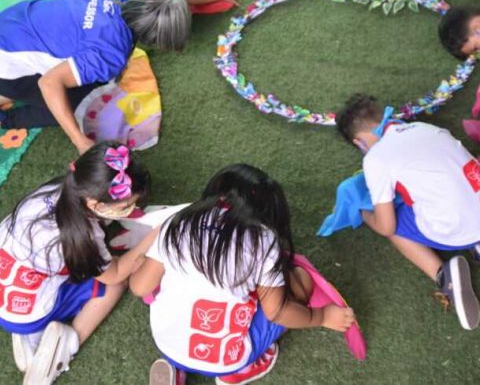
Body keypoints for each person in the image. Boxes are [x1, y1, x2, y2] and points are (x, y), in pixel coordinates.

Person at [131, 164, 355, 385]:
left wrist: (143, 264)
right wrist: (321, 317)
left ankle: (177, 369)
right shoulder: (263, 240)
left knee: (169, 284)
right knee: (301, 281)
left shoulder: (179, 221)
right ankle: (240, 370)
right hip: (225, 359)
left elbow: (140, 288)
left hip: (166, 344)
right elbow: (278, 312)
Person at [335, 95, 480, 332]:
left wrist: (364, 213)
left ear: (359, 142)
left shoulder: (376, 158)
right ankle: (479, 241)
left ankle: (443, 274)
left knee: (394, 226)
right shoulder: (424, 127)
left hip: (455, 225)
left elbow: (386, 226)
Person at [0, 143, 155, 385]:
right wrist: (154, 236)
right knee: (114, 285)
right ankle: (62, 349)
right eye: (125, 206)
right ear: (95, 205)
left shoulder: (55, 189)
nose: (130, 210)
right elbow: (114, 274)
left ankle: (29, 335)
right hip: (26, 312)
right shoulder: (84, 235)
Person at [0, 0, 190, 154]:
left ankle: (8, 93)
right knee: (76, 105)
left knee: (90, 76)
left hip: (5, 28)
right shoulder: (110, 53)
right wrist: (79, 140)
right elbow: (49, 83)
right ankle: (4, 118)